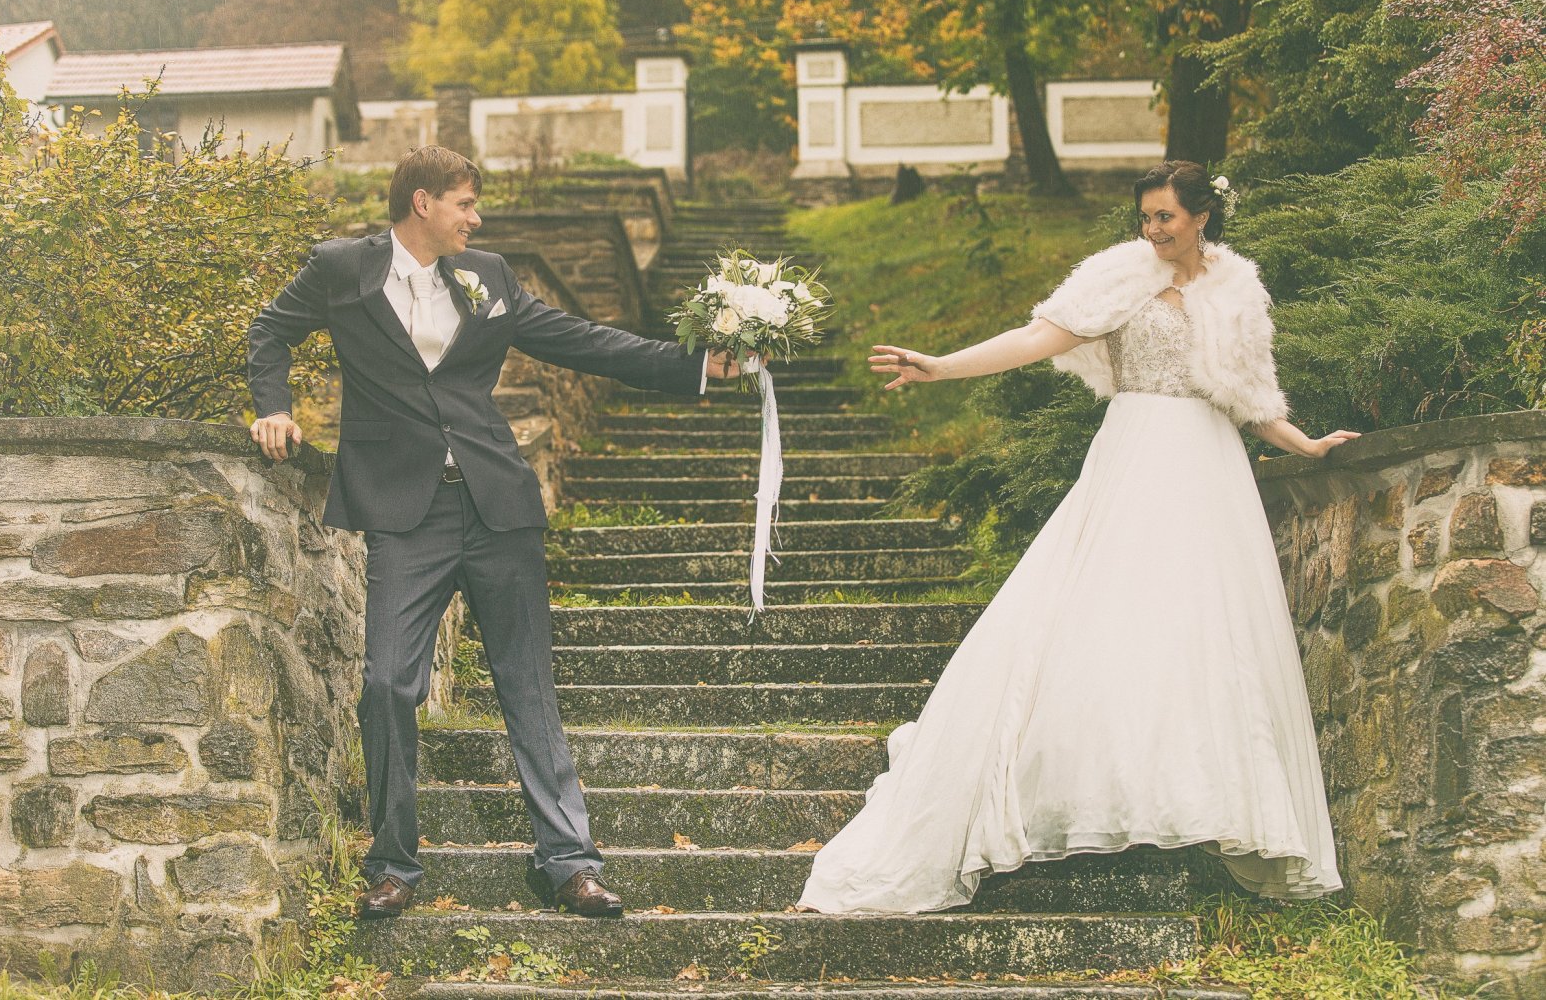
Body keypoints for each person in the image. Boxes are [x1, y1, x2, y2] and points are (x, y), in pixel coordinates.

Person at [798, 160, 1351, 913]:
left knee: (1199, 631)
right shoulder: (1120, 276)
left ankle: (1188, 802)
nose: (1152, 230)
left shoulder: (1238, 291)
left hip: (1208, 472)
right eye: (1145, 217)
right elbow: (1037, 337)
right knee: (1096, 616)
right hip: (1134, 455)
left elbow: (1251, 398)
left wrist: (1308, 446)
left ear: (1201, 217)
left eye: (1165, 217)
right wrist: (943, 367)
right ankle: (1066, 794)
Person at [247, 146, 746, 920]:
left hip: (498, 507)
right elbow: (270, 331)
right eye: (465, 203)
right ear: (422, 202)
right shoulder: (342, 268)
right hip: (404, 515)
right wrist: (274, 408)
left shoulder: (490, 276)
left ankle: (570, 863)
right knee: (387, 684)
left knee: (527, 685)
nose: (476, 219)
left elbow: (582, 340)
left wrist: (697, 366)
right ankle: (393, 865)